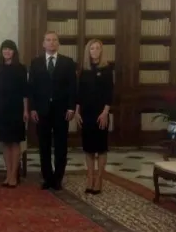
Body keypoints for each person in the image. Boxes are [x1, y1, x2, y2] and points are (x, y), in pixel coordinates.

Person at [28, 31, 78, 191]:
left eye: (54, 40)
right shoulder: (35, 63)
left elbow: (73, 87)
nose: (51, 43)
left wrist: (71, 107)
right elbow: (32, 87)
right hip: (41, 110)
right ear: (43, 44)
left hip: (61, 110)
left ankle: (58, 179)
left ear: (58, 43)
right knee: (44, 145)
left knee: (61, 145)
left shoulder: (68, 63)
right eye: (48, 40)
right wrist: (33, 108)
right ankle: (47, 178)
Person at [76, 39, 114, 195]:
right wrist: (77, 111)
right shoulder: (84, 70)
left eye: (98, 48)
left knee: (101, 148)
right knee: (89, 148)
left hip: (101, 113)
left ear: (101, 51)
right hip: (86, 113)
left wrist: (105, 112)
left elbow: (109, 93)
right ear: (88, 51)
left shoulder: (106, 69)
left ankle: (99, 179)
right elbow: (80, 92)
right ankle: (90, 178)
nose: (95, 50)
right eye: (92, 48)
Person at [0, 40, 28, 188]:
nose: (7, 52)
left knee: (15, 142)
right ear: (1, 52)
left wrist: (25, 110)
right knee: (5, 143)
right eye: (4, 49)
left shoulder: (21, 68)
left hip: (17, 108)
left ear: (14, 52)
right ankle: (8, 174)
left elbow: (25, 92)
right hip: (2, 109)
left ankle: (14, 175)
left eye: (10, 49)